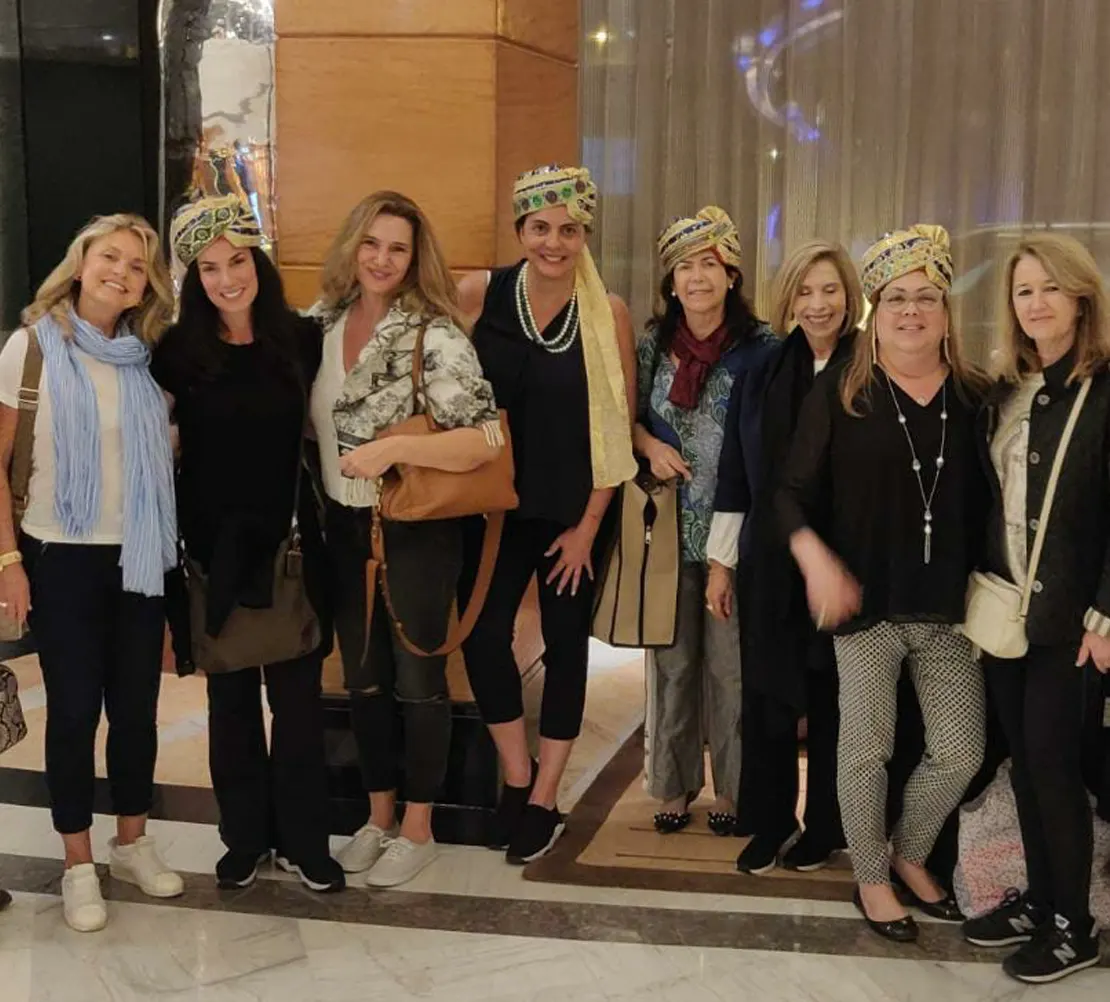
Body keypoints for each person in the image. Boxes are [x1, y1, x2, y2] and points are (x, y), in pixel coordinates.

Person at [776, 225, 989, 942]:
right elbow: (791, 494)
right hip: (864, 608)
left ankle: (910, 851)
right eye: (896, 297)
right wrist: (816, 560)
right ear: (876, 307)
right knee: (863, 748)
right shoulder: (842, 391)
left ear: (947, 309)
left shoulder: (975, 396)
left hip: (948, 613)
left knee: (960, 750)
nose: (911, 311)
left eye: (927, 296)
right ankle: (871, 876)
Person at [312, 191, 503, 888]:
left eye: (397, 247)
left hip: (414, 531)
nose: (382, 259)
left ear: (415, 257)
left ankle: (418, 826)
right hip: (342, 524)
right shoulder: (323, 323)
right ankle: (378, 815)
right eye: (371, 243)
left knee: (419, 680)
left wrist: (393, 447)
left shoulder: (435, 333)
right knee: (363, 680)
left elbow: (485, 441)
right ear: (351, 246)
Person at [153, 194, 343, 893]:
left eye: (237, 261)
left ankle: (304, 843)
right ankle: (244, 839)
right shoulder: (176, 353)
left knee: (297, 708)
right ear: (192, 278)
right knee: (229, 707)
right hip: (210, 552)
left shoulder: (300, 339)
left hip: (290, 548)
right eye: (208, 268)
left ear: (257, 260)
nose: (227, 278)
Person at [0, 213, 181, 932]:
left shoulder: (146, 357)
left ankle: (131, 841)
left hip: (137, 554)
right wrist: (9, 560)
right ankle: (78, 863)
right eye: (111, 257)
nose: (122, 273)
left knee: (136, 711)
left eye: (137, 266)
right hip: (58, 556)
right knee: (73, 714)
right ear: (80, 264)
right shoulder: (30, 349)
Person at [456, 165, 637, 863]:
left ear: (585, 233)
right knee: (481, 640)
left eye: (568, 230)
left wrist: (590, 526)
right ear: (520, 231)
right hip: (497, 509)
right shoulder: (482, 293)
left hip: (573, 514)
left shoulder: (607, 312)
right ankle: (515, 773)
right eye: (540, 228)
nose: (554, 242)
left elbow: (617, 425)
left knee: (566, 649)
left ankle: (545, 796)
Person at [960, 233, 1110, 984]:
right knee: (1025, 765)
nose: (1037, 302)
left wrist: (1107, 616)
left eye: (1050, 287)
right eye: (1023, 291)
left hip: (1072, 623)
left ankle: (1073, 926)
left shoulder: (1106, 388)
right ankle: (1045, 901)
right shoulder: (1009, 392)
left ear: (1081, 295)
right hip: (1003, 613)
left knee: (1054, 768)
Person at [714, 240, 861, 872]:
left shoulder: (871, 367)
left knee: (835, 698)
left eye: (829, 289)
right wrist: (722, 562)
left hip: (847, 563)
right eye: (805, 290)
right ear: (788, 299)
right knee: (769, 695)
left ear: (850, 296)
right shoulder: (762, 372)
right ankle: (770, 821)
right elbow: (734, 473)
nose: (817, 303)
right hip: (771, 560)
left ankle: (827, 827)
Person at [633, 207, 775, 836]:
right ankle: (672, 784)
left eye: (709, 265)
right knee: (672, 662)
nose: (696, 277)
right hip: (665, 529)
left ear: (732, 275)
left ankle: (737, 791)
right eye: (685, 266)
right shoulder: (651, 346)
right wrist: (648, 445)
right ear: (670, 282)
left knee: (730, 666)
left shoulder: (763, 350)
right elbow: (624, 418)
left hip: (735, 536)